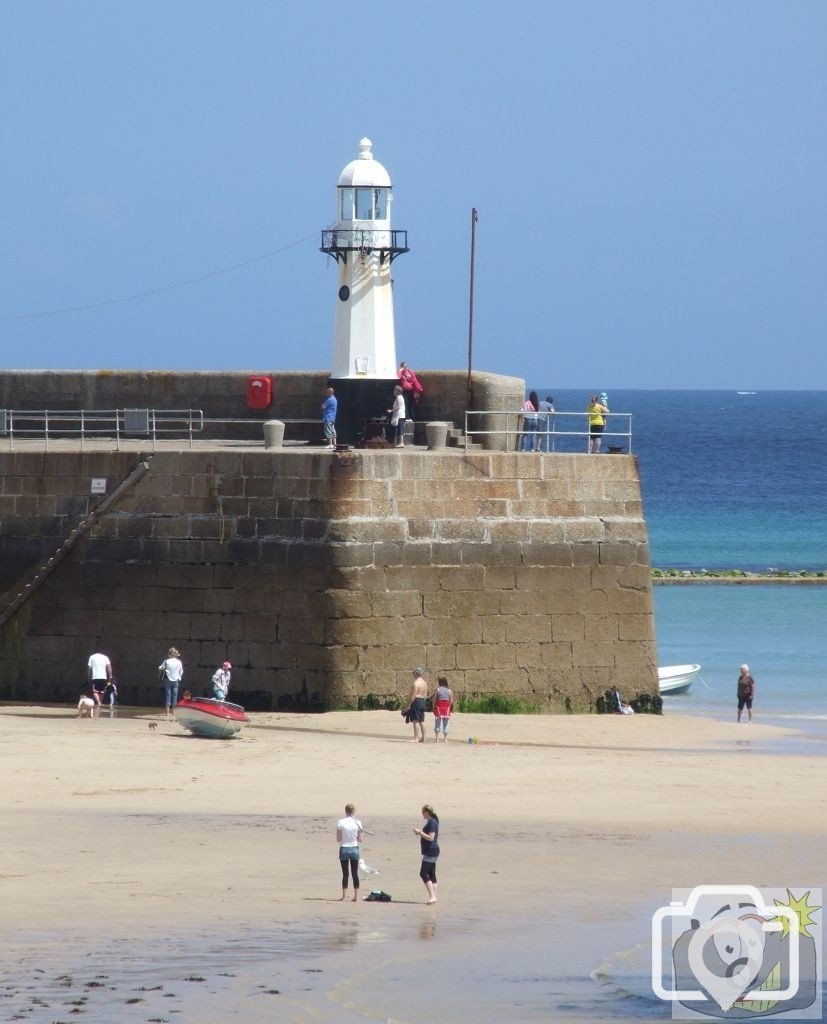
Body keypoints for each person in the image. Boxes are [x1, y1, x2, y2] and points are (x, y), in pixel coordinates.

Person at [336, 803, 364, 902]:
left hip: (344, 848)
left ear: (346, 811)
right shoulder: (358, 823)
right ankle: (356, 897)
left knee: (345, 874)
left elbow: (338, 839)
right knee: (355, 873)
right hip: (354, 849)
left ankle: (344, 896)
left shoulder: (340, 822)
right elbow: (360, 839)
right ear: (354, 811)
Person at [413, 804, 440, 904]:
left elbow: (431, 837)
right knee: (431, 873)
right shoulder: (432, 821)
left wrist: (420, 832)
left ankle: (432, 896)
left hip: (431, 850)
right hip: (432, 850)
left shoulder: (432, 822)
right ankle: (434, 896)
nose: (422, 815)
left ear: (426, 812)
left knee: (423, 873)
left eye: (422, 813)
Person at [158, 647, 184, 717]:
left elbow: (160, 668)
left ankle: (167, 713)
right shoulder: (179, 662)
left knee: (168, 695)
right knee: (175, 696)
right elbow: (181, 671)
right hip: (176, 680)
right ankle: (173, 713)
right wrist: (179, 677)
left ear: (170, 654)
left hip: (168, 679)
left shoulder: (166, 661)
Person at [407, 668, 428, 743]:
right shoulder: (424, 683)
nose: (413, 675)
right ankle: (424, 738)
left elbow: (413, 695)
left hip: (416, 701)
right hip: (423, 701)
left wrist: (409, 704)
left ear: (416, 674)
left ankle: (416, 738)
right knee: (422, 720)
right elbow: (425, 694)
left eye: (413, 673)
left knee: (415, 720)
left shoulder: (416, 683)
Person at [433, 676, 453, 742]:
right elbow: (451, 701)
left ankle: (437, 739)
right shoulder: (449, 691)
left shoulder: (438, 690)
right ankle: (445, 739)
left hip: (439, 707)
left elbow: (435, 700)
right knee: (446, 723)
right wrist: (449, 707)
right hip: (446, 708)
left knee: (437, 722)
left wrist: (434, 707)